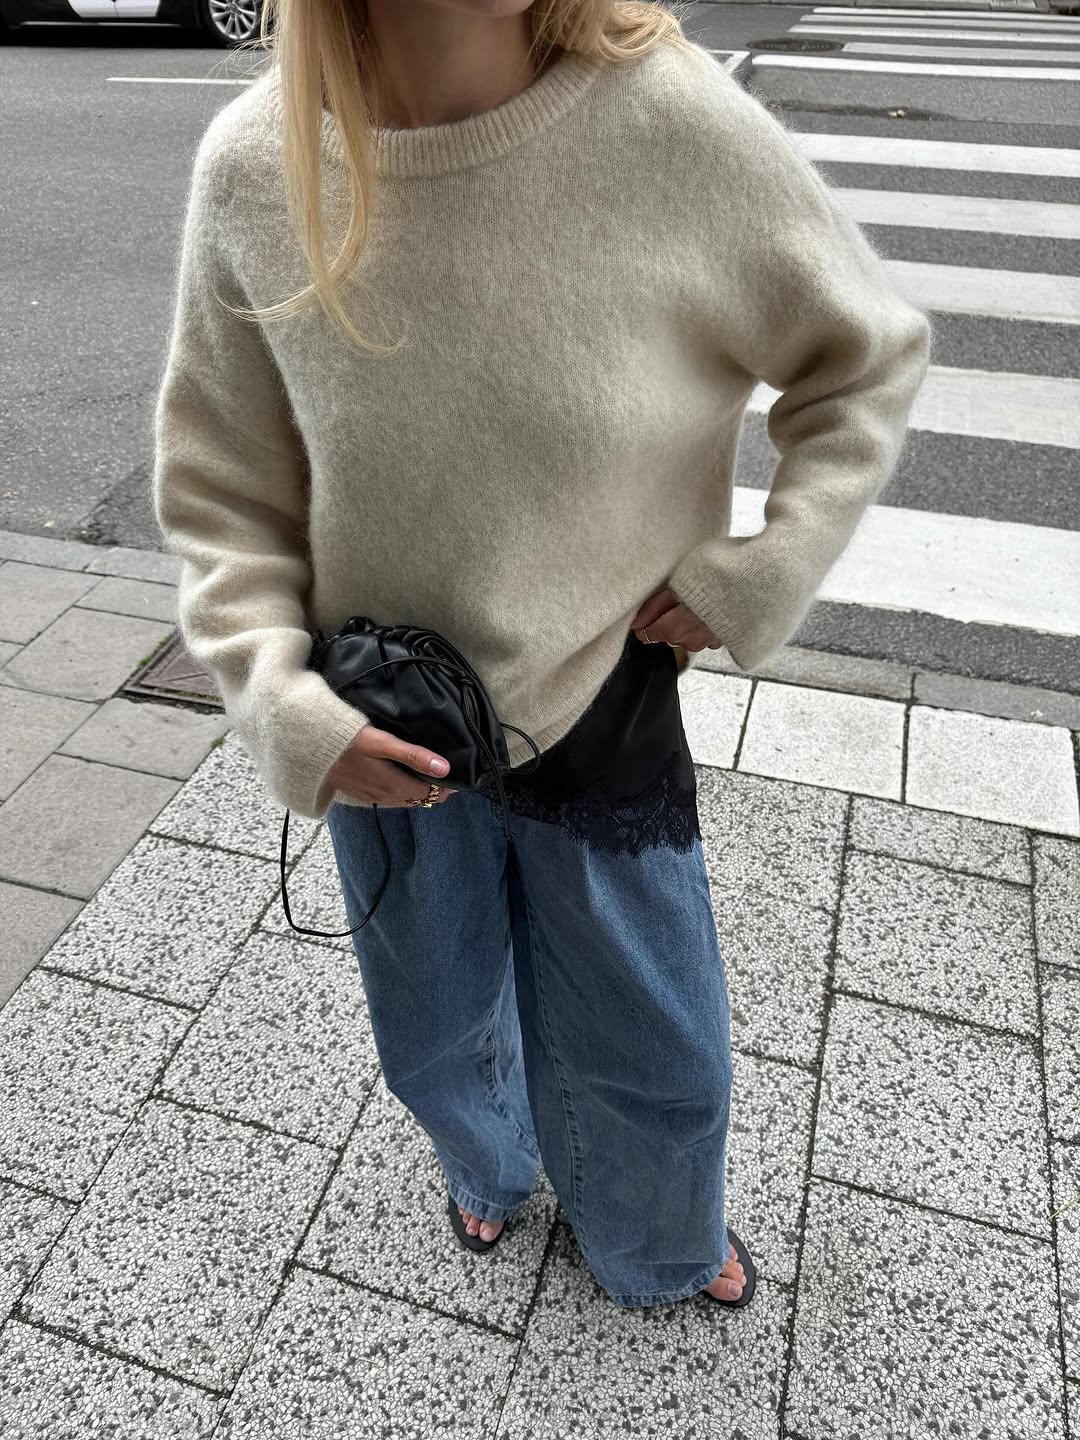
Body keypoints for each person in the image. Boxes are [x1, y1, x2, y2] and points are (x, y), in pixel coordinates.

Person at [152, 0, 931, 1310]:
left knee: (660, 1043)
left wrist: (764, 566)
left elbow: (860, 361)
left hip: (600, 698)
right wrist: (281, 703)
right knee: (433, 1019)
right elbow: (221, 481)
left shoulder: (662, 119)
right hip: (383, 721)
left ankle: (658, 1239)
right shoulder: (255, 166)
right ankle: (489, 1164)